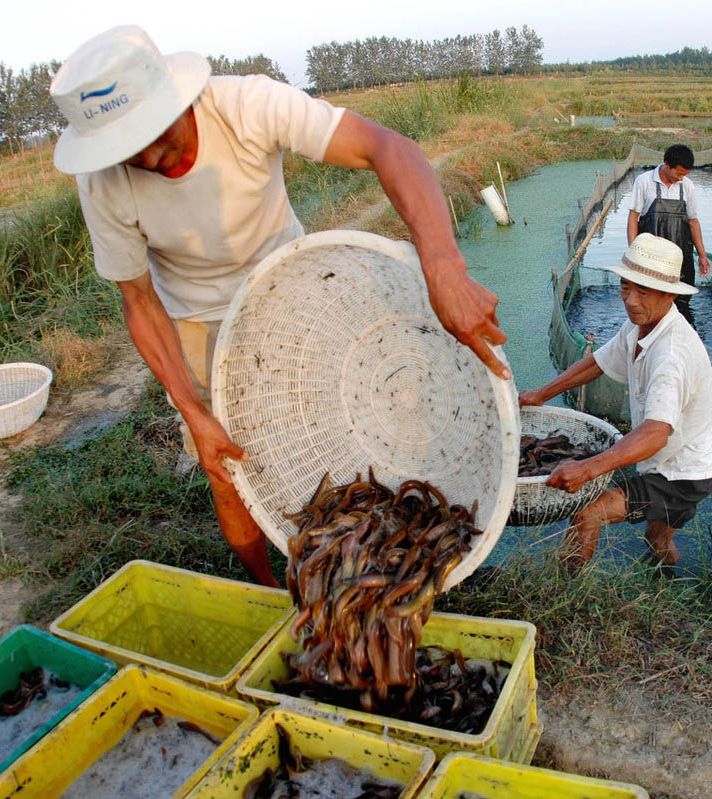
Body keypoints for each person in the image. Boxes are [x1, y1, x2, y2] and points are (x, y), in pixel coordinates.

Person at [49, 26, 509, 587]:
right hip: (197, 316)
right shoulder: (102, 184)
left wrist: (444, 268)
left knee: (326, 422)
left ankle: (350, 564)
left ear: (177, 97)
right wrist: (193, 412)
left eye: (156, 132)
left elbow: (389, 148)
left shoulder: (246, 105)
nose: (149, 154)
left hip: (293, 288)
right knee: (227, 466)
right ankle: (270, 591)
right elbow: (139, 302)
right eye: (128, 149)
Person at [518, 234, 712, 569]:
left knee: (588, 512)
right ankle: (667, 585)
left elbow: (656, 432)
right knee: (656, 540)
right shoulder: (639, 324)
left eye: (643, 291)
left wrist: (587, 467)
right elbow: (598, 361)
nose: (630, 300)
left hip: (683, 473)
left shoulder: (671, 354)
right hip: (669, 460)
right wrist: (542, 393)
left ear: (670, 294)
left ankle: (565, 591)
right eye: (625, 287)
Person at [626, 144, 711, 325]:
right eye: (678, 173)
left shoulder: (687, 186)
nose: (681, 178)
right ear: (666, 164)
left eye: (684, 175)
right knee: (650, 303)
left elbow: (693, 222)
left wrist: (702, 255)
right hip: (650, 259)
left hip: (680, 259)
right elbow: (633, 217)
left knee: (681, 304)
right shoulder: (644, 181)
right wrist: (632, 251)